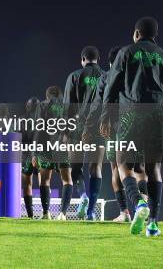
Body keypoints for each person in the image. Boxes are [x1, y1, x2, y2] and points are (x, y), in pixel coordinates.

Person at [101, 17, 163, 236]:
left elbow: (111, 87)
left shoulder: (126, 53)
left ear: (136, 33)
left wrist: (105, 117)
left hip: (132, 114)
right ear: (155, 35)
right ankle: (154, 224)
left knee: (123, 163)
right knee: (154, 168)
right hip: (158, 117)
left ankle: (138, 203)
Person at [83, 46, 133, 222]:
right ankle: (146, 206)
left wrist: (89, 127)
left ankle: (124, 212)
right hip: (135, 124)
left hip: (113, 127)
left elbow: (97, 105)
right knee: (141, 167)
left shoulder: (106, 77)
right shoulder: (132, 76)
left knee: (116, 168)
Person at [64, 45, 105, 220]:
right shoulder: (106, 76)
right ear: (98, 59)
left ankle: (83, 197)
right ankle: (90, 212)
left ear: (82, 60)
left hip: (77, 125)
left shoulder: (74, 76)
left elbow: (68, 107)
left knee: (75, 167)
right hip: (99, 126)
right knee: (96, 168)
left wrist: (65, 131)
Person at [33, 86, 72, 220]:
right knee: (67, 179)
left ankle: (46, 213)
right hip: (62, 146)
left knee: (45, 180)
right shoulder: (67, 105)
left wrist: (34, 152)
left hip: (46, 146)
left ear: (47, 95)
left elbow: (39, 127)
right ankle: (63, 214)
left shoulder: (43, 105)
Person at [21, 97, 40, 219]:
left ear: (27, 107)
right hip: (41, 153)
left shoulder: (22, 120)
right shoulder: (42, 120)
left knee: (27, 183)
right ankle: (45, 212)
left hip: (26, 155)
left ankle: (30, 215)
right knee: (44, 182)